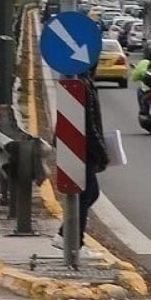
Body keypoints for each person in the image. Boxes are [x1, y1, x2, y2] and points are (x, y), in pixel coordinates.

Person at [52, 63, 109, 259]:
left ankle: (66, 236)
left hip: (77, 147)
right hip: (81, 149)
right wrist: (102, 152)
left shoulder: (80, 82)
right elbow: (90, 124)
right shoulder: (82, 85)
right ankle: (73, 242)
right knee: (86, 194)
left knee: (88, 194)